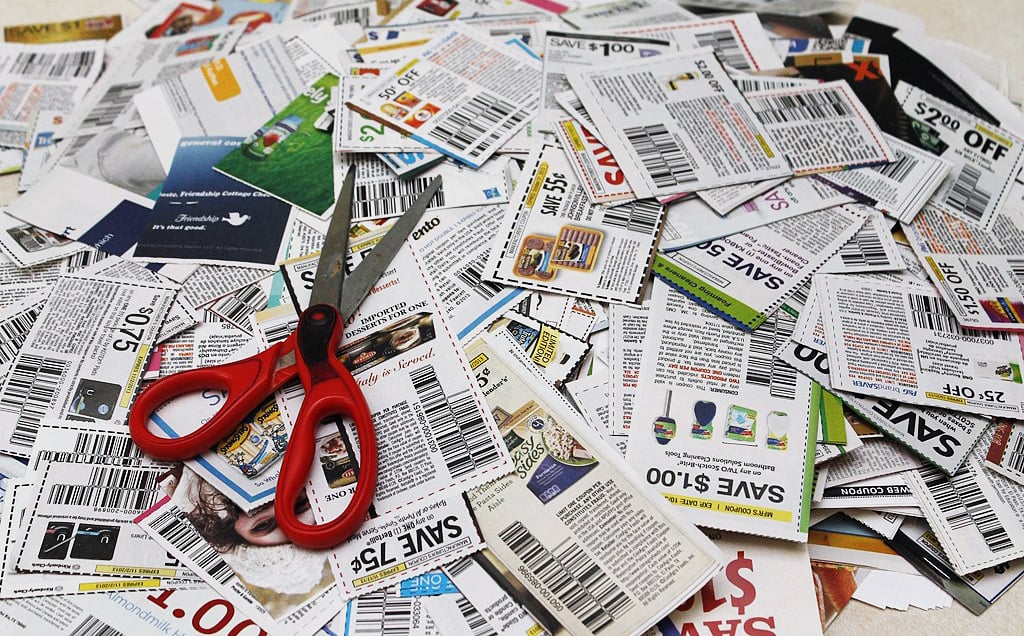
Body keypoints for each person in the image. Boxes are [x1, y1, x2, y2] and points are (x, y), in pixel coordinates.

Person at [168, 468, 334, 617]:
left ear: (233, 535)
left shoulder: (181, 491)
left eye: (263, 524)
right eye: (297, 506)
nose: (273, 506)